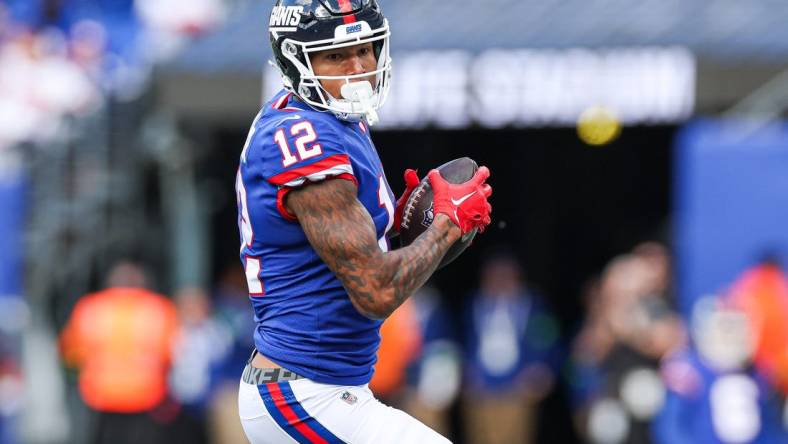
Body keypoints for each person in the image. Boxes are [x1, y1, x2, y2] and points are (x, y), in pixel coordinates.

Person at [234, 1, 493, 443]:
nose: (357, 66)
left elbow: (357, 259)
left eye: (365, 49)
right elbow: (375, 289)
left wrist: (403, 232)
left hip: (329, 388)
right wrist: (445, 225)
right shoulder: (304, 137)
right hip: (303, 393)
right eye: (335, 56)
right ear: (296, 59)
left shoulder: (333, 121)